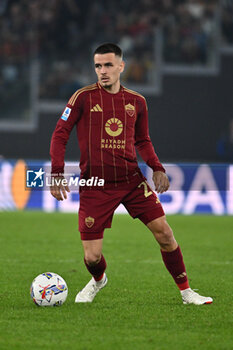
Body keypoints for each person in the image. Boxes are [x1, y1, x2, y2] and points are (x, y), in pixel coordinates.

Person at [50, 43, 213, 305]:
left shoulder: (137, 102)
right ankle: (99, 279)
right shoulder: (82, 97)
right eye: (98, 66)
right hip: (96, 185)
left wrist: (157, 167)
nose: (102, 71)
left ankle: (186, 292)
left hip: (130, 181)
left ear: (121, 66)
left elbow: (143, 140)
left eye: (108, 65)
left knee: (165, 234)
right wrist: (56, 172)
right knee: (92, 258)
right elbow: (60, 134)